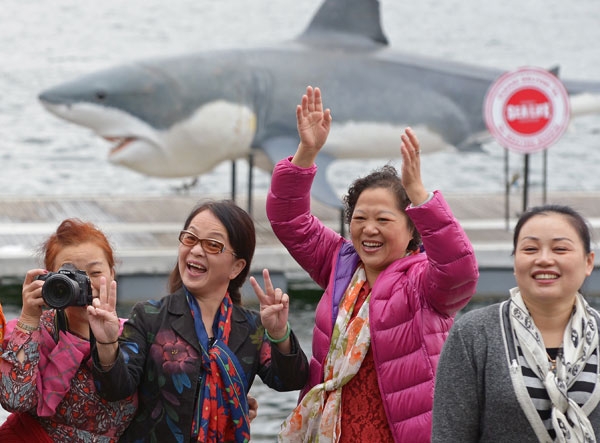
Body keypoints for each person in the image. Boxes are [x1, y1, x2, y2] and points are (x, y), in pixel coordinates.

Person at [266, 86, 479, 442]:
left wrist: (421, 198)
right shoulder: (341, 263)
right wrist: (306, 152)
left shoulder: (424, 282)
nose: (369, 229)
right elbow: (289, 219)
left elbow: (460, 274)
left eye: (383, 219)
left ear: (413, 229)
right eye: (360, 218)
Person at [88, 199, 309, 442]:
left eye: (213, 245)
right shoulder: (149, 317)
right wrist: (107, 343)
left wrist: (279, 334)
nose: (195, 250)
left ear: (236, 267)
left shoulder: (251, 327)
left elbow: (290, 380)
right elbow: (115, 389)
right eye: (190, 239)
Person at [432, 205, 600, 442]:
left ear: (588, 262)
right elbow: (449, 435)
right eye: (530, 249)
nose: (544, 259)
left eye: (560, 249)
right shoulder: (473, 335)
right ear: (514, 261)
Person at [0, 218, 137, 442]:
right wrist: (28, 318)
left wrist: (107, 342)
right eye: (69, 275)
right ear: (49, 278)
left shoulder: (134, 333)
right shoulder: (33, 331)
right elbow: (14, 401)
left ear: (112, 273)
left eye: (94, 273)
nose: (83, 284)